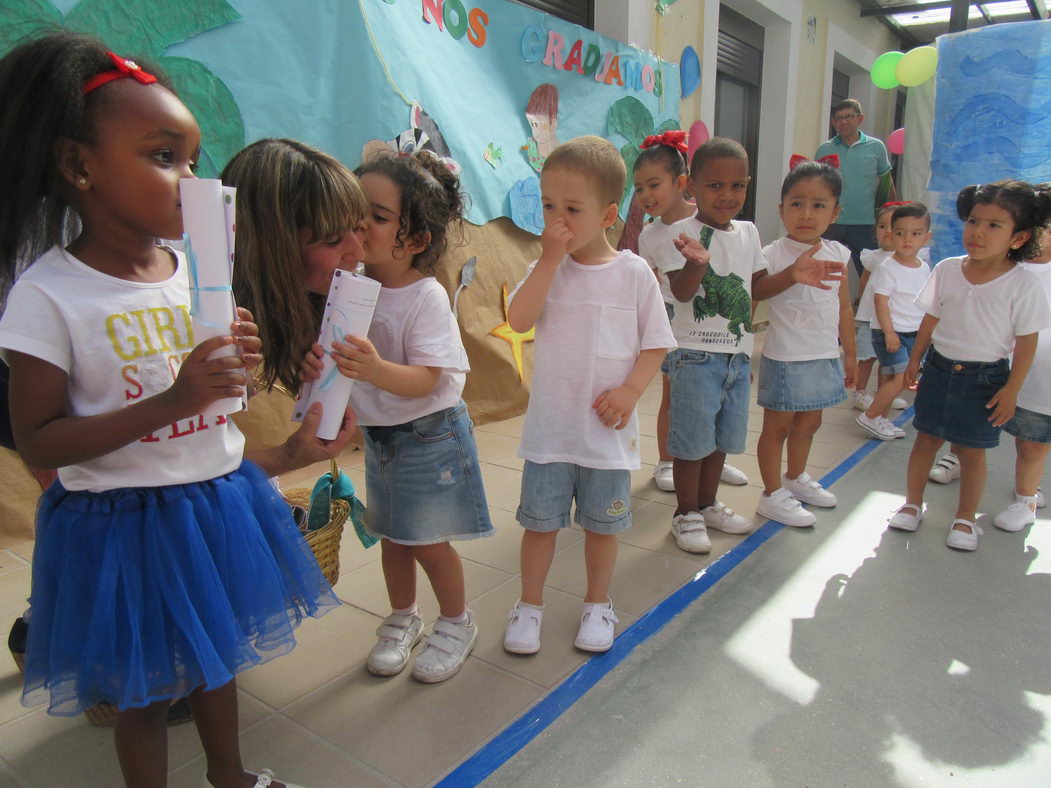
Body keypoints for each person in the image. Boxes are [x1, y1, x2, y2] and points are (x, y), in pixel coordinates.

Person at [0, 32, 335, 787]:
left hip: (215, 504)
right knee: (145, 690)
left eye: (192, 159)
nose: (191, 181)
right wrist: (176, 397)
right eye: (162, 157)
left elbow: (216, 400)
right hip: (122, 526)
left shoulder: (193, 273)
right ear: (79, 167)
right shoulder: (48, 294)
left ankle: (230, 775)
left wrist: (234, 371)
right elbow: (40, 438)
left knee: (218, 663)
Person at [302, 149, 494, 683]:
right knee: (391, 534)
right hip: (383, 438)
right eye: (355, 208)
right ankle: (404, 615)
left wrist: (375, 369)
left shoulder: (424, 296)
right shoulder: (346, 287)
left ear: (414, 240)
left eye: (379, 217)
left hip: (430, 436)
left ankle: (457, 621)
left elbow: (431, 378)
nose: (360, 223)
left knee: (428, 540)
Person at [501, 136, 674, 655]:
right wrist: (549, 262)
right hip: (551, 433)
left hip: (605, 437)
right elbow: (517, 320)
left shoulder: (633, 273)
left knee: (603, 529)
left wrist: (630, 390)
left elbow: (656, 343)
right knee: (539, 526)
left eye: (573, 209)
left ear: (608, 215)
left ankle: (597, 603)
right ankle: (529, 605)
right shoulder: (546, 269)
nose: (558, 221)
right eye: (549, 206)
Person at [653, 139, 847, 553]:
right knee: (691, 440)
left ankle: (707, 504)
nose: (727, 196)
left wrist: (794, 273)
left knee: (723, 438)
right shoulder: (681, 232)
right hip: (694, 354)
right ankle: (684, 512)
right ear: (692, 187)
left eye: (737, 186)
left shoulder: (749, 232)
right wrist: (697, 263)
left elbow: (757, 287)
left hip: (737, 356)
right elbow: (684, 294)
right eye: (715, 185)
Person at [889, 181, 1051, 551]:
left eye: (994, 225)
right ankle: (912, 503)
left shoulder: (1023, 284)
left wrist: (1012, 389)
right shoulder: (947, 269)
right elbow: (931, 316)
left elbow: (1027, 341)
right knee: (926, 439)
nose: (978, 232)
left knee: (971, 451)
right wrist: (915, 359)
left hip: (985, 379)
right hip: (940, 370)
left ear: (1018, 236)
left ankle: (964, 519)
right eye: (974, 221)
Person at [220, 138, 365, 471]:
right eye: (332, 240)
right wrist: (287, 456)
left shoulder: (310, 315)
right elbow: (185, 474)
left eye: (359, 229)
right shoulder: (220, 330)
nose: (359, 254)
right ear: (274, 248)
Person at [633, 131, 749, 494]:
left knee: (713, 398)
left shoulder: (712, 220)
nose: (646, 196)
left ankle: (711, 456)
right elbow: (655, 285)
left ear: (683, 184)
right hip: (675, 317)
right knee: (675, 395)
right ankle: (669, 459)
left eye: (654, 184)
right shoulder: (650, 234)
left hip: (715, 322)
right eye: (638, 189)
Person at [755, 160, 856, 527]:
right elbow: (754, 295)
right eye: (796, 204)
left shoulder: (840, 253)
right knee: (776, 428)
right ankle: (770, 494)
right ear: (781, 209)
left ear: (835, 211)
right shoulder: (771, 253)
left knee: (809, 424)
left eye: (818, 205)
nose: (806, 214)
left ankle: (795, 478)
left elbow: (844, 307)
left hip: (824, 355)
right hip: (784, 357)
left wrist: (850, 354)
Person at [994, 208, 1051, 531]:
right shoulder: (1011, 270)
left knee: (1034, 442)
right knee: (1027, 441)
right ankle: (1026, 497)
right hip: (1011, 370)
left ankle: (1027, 495)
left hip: (1044, 376)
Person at [856, 203, 933, 441]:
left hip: (913, 332)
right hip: (891, 332)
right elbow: (880, 302)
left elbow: (923, 301)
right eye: (900, 233)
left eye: (915, 233)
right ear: (892, 234)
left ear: (926, 237)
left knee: (891, 378)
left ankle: (881, 418)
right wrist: (889, 333)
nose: (907, 239)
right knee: (902, 377)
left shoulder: (923, 266)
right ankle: (870, 416)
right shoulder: (888, 267)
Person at [851, 202, 919, 414]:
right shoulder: (873, 257)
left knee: (887, 361)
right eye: (882, 227)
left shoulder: (910, 260)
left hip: (893, 320)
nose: (888, 232)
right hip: (869, 317)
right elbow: (864, 281)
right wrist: (862, 305)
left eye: (893, 227)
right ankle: (859, 393)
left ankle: (884, 396)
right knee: (867, 356)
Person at [817, 99, 895, 276]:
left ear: (860, 119)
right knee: (826, 270)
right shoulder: (824, 149)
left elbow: (886, 181)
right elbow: (817, 185)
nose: (843, 122)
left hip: (866, 223)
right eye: (838, 118)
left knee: (871, 272)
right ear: (833, 122)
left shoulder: (876, 147)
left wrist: (890, 213)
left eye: (849, 117)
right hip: (832, 222)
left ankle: (866, 303)